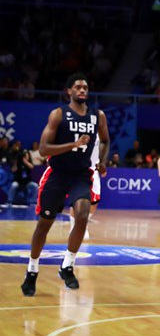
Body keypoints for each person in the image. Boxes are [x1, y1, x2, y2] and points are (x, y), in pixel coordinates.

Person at [21, 74, 110, 297]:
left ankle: (67, 266)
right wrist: (73, 144)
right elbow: (43, 149)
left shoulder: (97, 116)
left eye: (85, 87)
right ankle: (32, 270)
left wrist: (102, 161)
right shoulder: (59, 114)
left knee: (81, 215)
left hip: (81, 174)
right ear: (68, 91)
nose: (82, 90)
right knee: (44, 224)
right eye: (78, 87)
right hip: (57, 174)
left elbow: (106, 140)